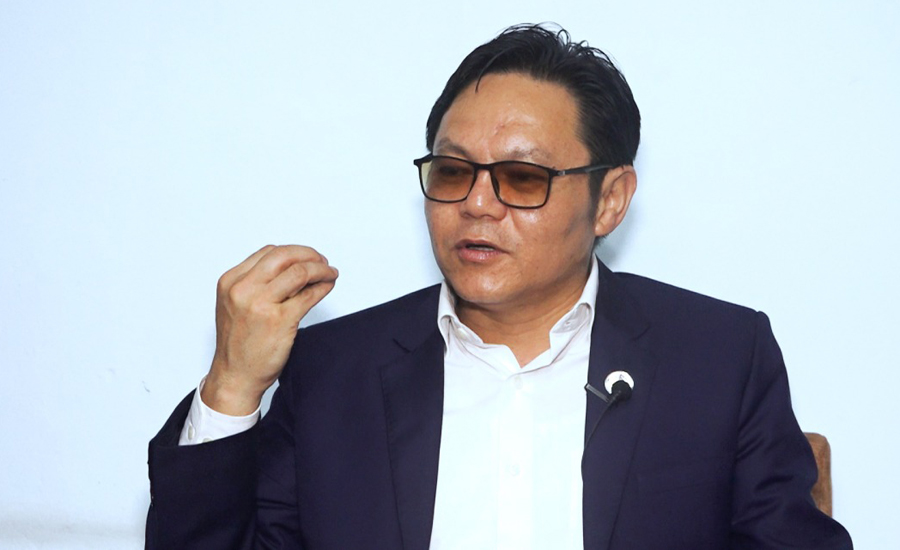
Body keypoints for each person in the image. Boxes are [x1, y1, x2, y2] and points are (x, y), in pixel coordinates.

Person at [146, 24, 853, 549]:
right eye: (454, 172)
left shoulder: (718, 356)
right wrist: (232, 386)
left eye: (522, 178)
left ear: (609, 201)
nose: (477, 204)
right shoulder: (334, 371)